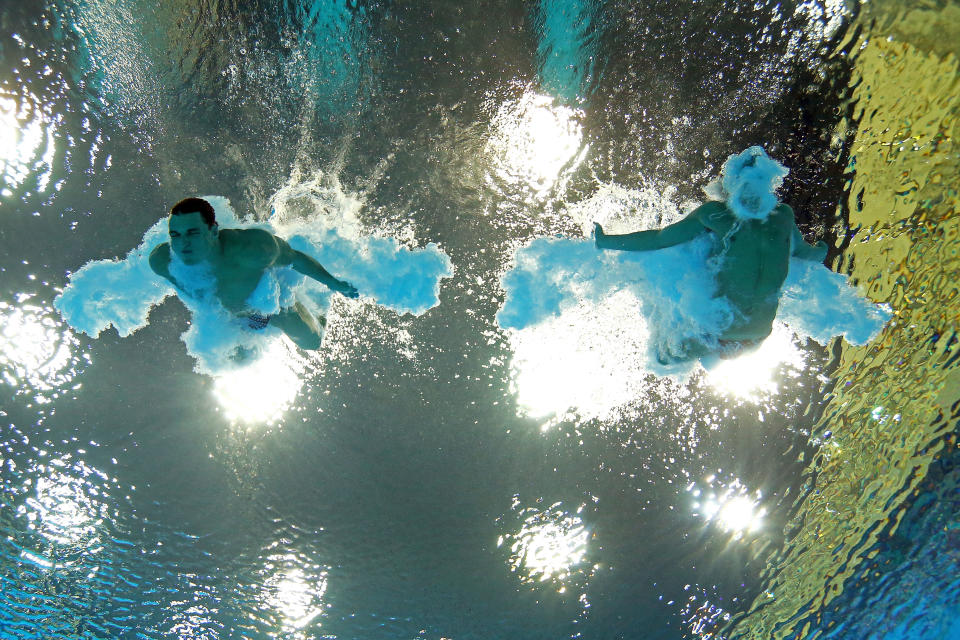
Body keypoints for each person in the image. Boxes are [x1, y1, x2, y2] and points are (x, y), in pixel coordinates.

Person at [594, 147, 828, 363]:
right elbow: (802, 252)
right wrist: (822, 251)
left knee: (661, 358)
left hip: (717, 336)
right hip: (759, 335)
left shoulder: (716, 215)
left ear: (731, 184)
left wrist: (607, 241)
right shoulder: (783, 217)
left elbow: (659, 239)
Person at [149, 197, 358, 350]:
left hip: (269, 304)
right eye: (175, 235)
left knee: (312, 343)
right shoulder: (162, 262)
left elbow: (295, 258)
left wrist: (333, 283)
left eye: (193, 233)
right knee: (229, 365)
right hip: (229, 317)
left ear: (213, 231)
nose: (183, 244)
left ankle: (318, 304)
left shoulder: (252, 249)